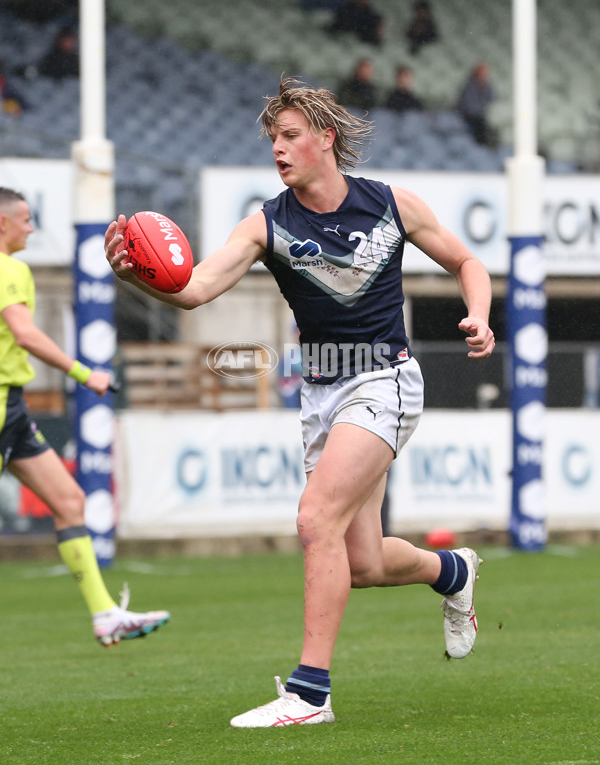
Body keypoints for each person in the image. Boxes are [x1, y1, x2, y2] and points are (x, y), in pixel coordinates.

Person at [105, 77, 495, 726]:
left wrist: (478, 313)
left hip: (384, 380)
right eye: (273, 140)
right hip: (321, 392)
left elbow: (467, 262)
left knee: (316, 519)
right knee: (363, 561)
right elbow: (196, 288)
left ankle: (310, 693)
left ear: (325, 138)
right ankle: (451, 570)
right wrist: (138, 277)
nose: (278, 150)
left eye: (289, 136)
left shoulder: (392, 204)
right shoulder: (267, 222)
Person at [0, 187, 170, 647]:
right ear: (3, 224)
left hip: (12, 409)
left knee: (71, 502)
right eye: (26, 219)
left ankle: (105, 615)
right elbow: (24, 333)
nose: (31, 227)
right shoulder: (8, 268)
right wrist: (84, 373)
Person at [456, 62, 497, 147]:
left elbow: (492, 98)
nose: (485, 75)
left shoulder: (487, 85)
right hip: (469, 117)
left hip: (481, 116)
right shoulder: (469, 86)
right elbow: (470, 106)